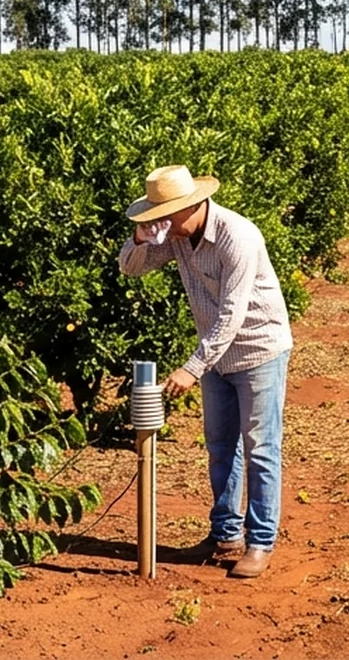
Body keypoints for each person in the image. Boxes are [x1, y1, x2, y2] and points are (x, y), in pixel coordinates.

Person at [119, 165, 292, 579]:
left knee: (261, 450)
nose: (162, 221)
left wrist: (192, 368)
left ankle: (259, 542)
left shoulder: (238, 236)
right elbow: (132, 268)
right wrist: (140, 238)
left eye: (167, 213)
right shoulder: (176, 236)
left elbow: (232, 314)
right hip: (216, 356)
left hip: (258, 349)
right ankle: (224, 533)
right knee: (220, 446)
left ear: (194, 205)